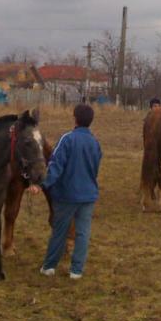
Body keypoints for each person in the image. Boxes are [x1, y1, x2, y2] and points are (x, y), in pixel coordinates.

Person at [35, 103, 102, 280]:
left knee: (60, 231)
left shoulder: (67, 139)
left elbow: (55, 167)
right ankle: (76, 271)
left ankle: (49, 266)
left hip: (66, 196)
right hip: (88, 195)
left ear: (75, 119)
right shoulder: (95, 142)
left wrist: (41, 184)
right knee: (83, 233)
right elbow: (94, 169)